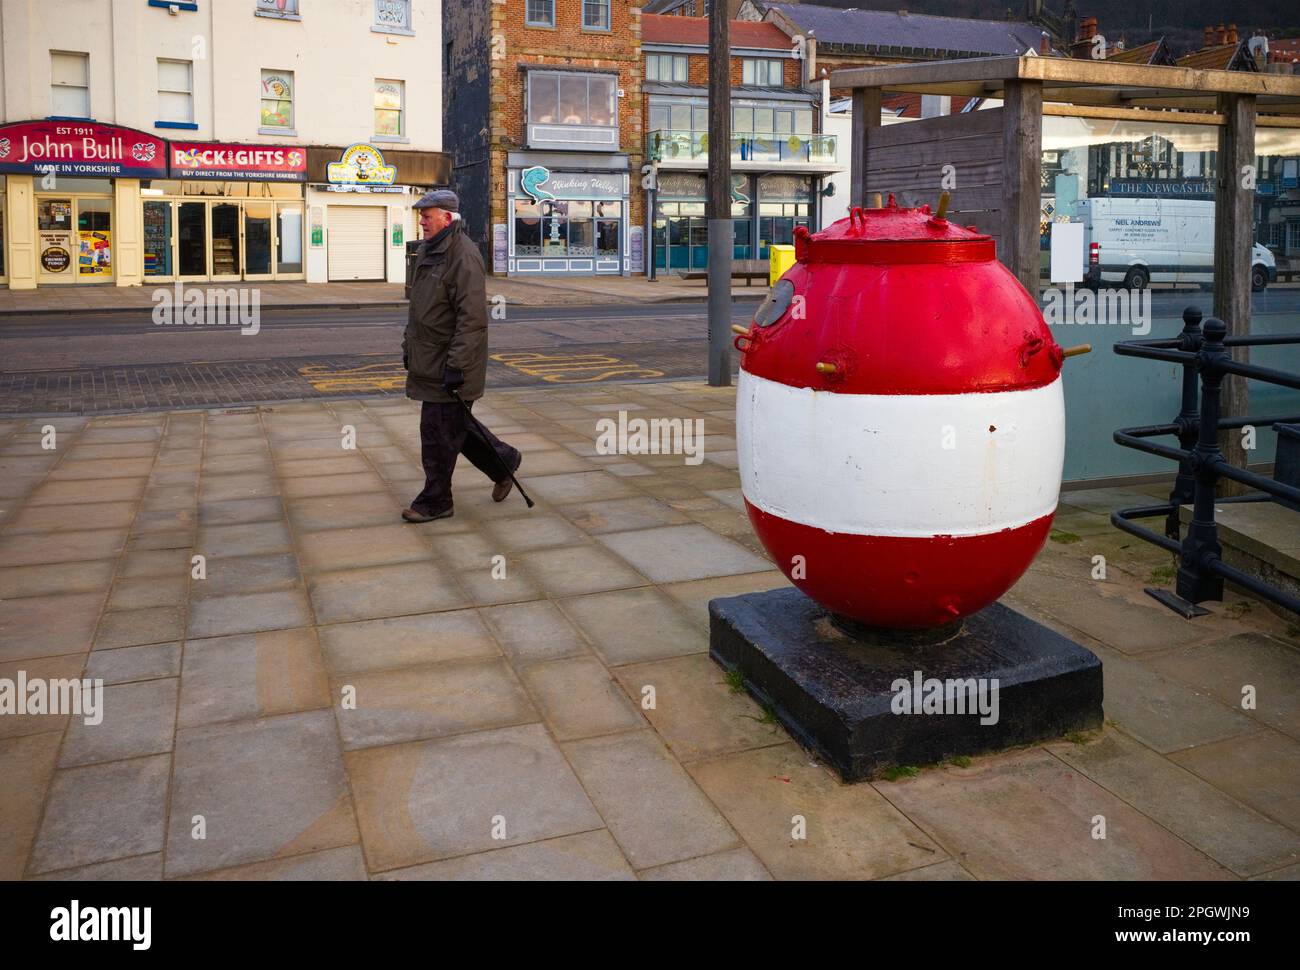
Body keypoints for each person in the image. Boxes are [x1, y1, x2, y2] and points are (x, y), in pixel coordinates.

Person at [400, 189, 521, 523]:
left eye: (428, 215)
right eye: (421, 216)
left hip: (449, 364)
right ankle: (504, 462)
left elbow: (472, 320)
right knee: (456, 427)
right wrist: (408, 346)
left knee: (437, 434)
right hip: (430, 359)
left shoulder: (461, 255)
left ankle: (436, 500)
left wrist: (456, 366)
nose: (422, 221)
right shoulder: (431, 251)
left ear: (447, 218)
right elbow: (421, 310)